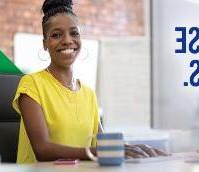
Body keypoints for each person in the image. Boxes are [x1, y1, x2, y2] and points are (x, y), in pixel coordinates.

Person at [12, 0, 168, 164]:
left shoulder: (88, 93)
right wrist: (99, 152)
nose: (67, 40)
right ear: (45, 44)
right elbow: (42, 150)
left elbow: (102, 143)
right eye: (56, 35)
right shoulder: (31, 84)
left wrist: (137, 149)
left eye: (74, 33)